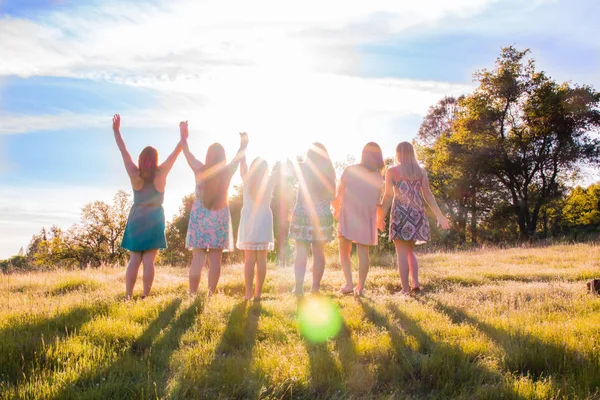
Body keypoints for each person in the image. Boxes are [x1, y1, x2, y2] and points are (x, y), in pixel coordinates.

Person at [112, 114, 182, 300]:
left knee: (134, 259)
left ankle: (128, 296)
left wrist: (117, 131)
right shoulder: (161, 174)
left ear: (141, 159)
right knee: (149, 260)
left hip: (137, 216)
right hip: (155, 217)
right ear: (155, 159)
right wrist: (183, 138)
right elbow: (175, 155)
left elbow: (123, 151)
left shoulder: (135, 174)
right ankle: (145, 296)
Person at [180, 121, 247, 296]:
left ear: (208, 156)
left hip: (200, 216)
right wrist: (243, 144)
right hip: (219, 216)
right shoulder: (227, 171)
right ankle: (210, 294)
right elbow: (239, 156)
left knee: (198, 257)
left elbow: (187, 152)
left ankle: (192, 294)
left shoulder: (199, 169)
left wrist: (183, 135)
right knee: (216, 258)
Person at [378, 141, 450, 295]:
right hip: (417, 214)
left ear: (397, 153)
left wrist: (380, 217)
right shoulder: (420, 171)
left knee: (401, 253)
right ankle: (415, 283)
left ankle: (405, 290)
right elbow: (428, 196)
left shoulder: (392, 171)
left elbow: (388, 196)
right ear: (412, 153)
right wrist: (440, 216)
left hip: (400, 214)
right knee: (410, 251)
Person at [332, 142, 385, 296]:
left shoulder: (350, 170)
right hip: (367, 215)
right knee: (363, 252)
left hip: (349, 213)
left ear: (363, 154)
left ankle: (349, 283)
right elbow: (377, 201)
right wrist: (379, 219)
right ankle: (360, 287)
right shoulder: (378, 177)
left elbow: (339, 193)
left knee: (344, 250)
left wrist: (336, 210)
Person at [289, 143, 336, 295]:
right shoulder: (330, 173)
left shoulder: (303, 168)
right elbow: (332, 195)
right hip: (322, 218)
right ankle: (315, 288)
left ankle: (298, 288)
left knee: (301, 253)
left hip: (303, 216)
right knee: (319, 254)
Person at [237, 155, 280, 300]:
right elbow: (279, 171)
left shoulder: (247, 180)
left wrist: (243, 148)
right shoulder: (269, 181)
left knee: (249, 259)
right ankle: (258, 294)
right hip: (263, 221)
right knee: (262, 258)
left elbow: (242, 165)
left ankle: (248, 293)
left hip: (249, 221)